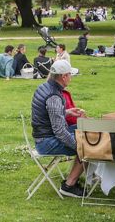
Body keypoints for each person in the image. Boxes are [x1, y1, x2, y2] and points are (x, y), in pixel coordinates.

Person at [31, 60, 86, 197]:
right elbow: (60, 131)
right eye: (70, 75)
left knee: (88, 131)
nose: (71, 77)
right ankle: (69, 185)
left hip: (43, 137)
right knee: (89, 145)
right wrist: (78, 146)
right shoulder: (54, 95)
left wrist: (67, 112)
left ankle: (78, 177)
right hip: (46, 142)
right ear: (64, 77)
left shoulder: (45, 87)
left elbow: (48, 114)